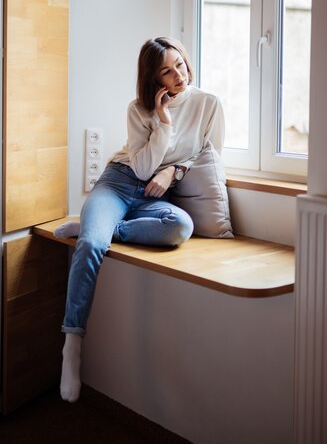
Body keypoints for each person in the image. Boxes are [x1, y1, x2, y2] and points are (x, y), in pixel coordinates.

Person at [58, 36, 225, 403]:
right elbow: (142, 165)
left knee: (180, 226)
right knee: (90, 246)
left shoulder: (208, 104)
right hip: (118, 183)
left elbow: (207, 153)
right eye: (167, 71)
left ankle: (99, 229)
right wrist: (163, 122)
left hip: (155, 195)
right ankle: (72, 346)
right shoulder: (139, 109)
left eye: (179, 64)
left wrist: (174, 173)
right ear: (154, 79)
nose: (178, 75)